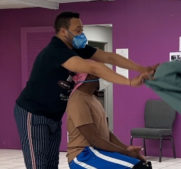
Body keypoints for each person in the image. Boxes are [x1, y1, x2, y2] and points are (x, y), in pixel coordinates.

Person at [14, 11, 156, 169]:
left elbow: (109, 57)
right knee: (38, 165)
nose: (81, 34)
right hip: (33, 113)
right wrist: (130, 82)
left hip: (53, 116)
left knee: (51, 164)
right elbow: (93, 66)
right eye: (77, 30)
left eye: (82, 29)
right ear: (63, 31)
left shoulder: (76, 49)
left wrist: (143, 68)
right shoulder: (56, 51)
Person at [67, 73, 152, 169]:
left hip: (97, 151)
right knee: (138, 167)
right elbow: (94, 139)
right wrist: (126, 152)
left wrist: (127, 148)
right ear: (89, 77)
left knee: (143, 164)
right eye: (97, 74)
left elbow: (106, 133)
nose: (101, 76)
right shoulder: (78, 100)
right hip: (83, 155)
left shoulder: (93, 99)